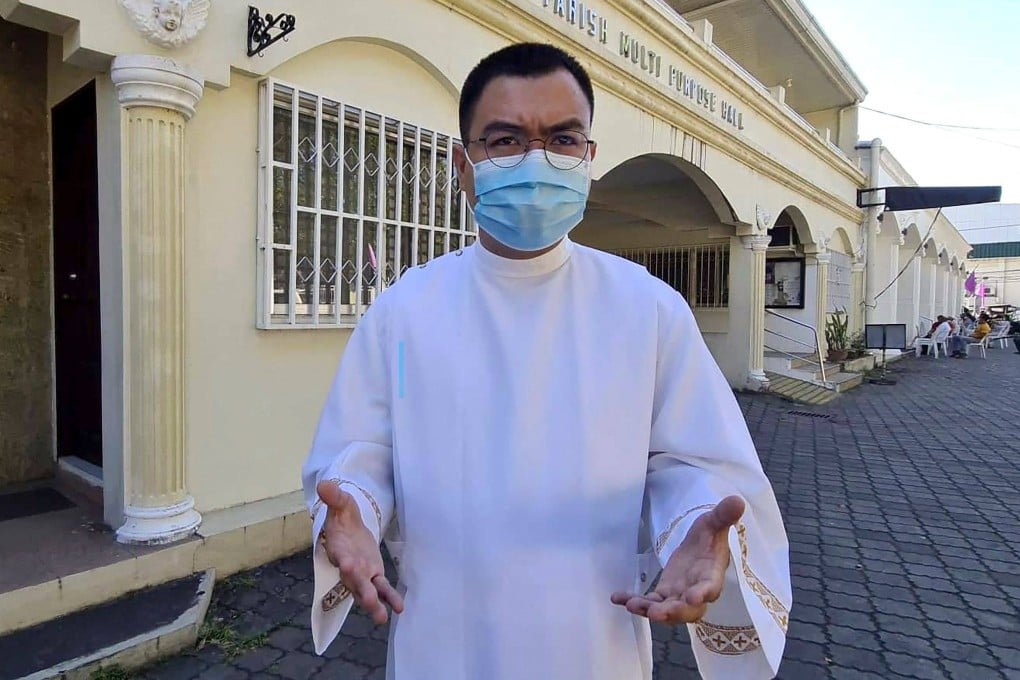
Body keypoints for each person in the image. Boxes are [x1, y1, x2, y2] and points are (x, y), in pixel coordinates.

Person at [301, 43, 790, 680]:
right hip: (445, 638)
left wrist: (696, 522)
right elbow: (366, 450)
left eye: (561, 139)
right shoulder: (404, 312)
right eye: (505, 140)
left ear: (589, 158)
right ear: (463, 164)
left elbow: (689, 462)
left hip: (593, 639)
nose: (536, 161)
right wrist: (355, 512)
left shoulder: (647, 309)